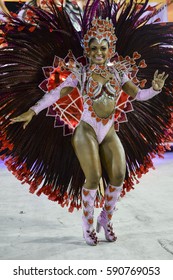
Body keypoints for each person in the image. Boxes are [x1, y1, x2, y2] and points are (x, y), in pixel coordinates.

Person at [10, 17, 168, 246]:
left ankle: (106, 219)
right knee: (93, 177)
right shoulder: (80, 74)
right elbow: (55, 94)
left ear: (110, 49)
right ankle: (87, 225)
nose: (98, 52)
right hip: (86, 130)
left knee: (118, 176)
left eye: (103, 48)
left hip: (109, 131)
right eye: (93, 48)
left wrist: (154, 89)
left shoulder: (118, 74)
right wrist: (33, 111)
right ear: (88, 49)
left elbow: (139, 95)